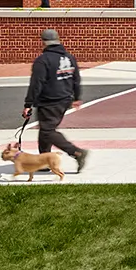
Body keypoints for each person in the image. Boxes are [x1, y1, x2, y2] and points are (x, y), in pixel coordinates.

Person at [21, 29, 89, 172]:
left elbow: (36, 83)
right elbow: (76, 79)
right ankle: (44, 161)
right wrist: (77, 97)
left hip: (49, 101)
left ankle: (77, 152)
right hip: (65, 99)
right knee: (45, 130)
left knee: (47, 131)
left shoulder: (43, 60)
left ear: (44, 42)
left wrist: (28, 104)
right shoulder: (69, 58)